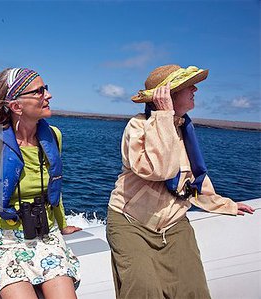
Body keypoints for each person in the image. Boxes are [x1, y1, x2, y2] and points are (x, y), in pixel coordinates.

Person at [106, 65, 255, 298]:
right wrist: (164, 116)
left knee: (193, 291)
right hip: (131, 223)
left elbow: (192, 181)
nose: (195, 89)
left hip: (174, 225)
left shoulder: (182, 128)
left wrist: (227, 205)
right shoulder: (137, 127)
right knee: (143, 291)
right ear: (168, 94)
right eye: (188, 86)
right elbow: (159, 170)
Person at [0, 68, 81, 298]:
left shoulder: (54, 137)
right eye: (39, 91)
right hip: (3, 238)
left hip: (45, 233)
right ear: (16, 106)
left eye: (46, 88)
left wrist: (62, 225)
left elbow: (55, 189)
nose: (48, 95)